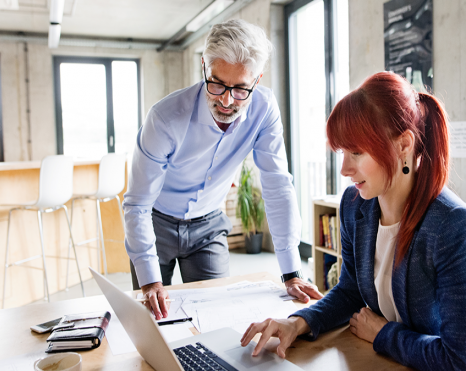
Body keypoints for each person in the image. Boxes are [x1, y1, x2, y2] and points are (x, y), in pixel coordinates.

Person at [240, 72, 466, 371]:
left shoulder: (453, 227)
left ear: (404, 145)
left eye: (356, 152)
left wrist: (383, 334)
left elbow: (463, 359)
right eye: (342, 152)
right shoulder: (355, 206)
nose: (344, 169)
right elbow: (351, 291)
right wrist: (297, 323)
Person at [123, 19, 322, 320]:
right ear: (204, 66)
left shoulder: (264, 109)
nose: (227, 101)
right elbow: (137, 204)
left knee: (217, 319)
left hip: (208, 226)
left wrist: (292, 272)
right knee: (152, 318)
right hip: (156, 222)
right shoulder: (164, 119)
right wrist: (150, 281)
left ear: (257, 80)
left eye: (241, 88)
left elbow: (277, 184)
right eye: (216, 84)